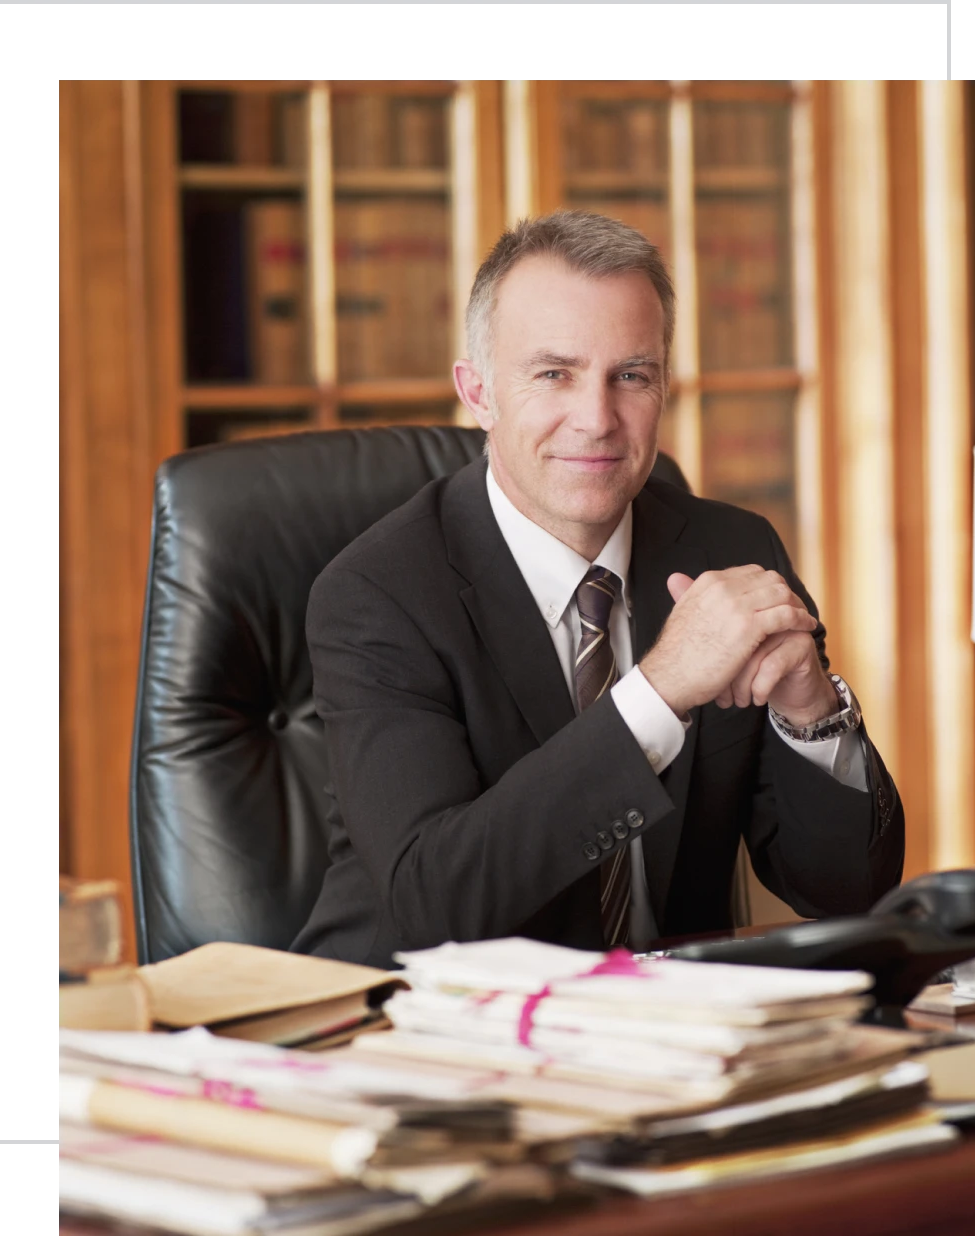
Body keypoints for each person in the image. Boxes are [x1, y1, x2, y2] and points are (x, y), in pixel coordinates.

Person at [293, 210, 903, 969]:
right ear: (478, 393)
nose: (597, 418)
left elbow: (849, 891)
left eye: (632, 376)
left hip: (669, 1038)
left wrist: (811, 713)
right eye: (554, 373)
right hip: (425, 1036)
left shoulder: (730, 551)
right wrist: (660, 690)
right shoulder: (376, 596)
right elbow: (435, 903)